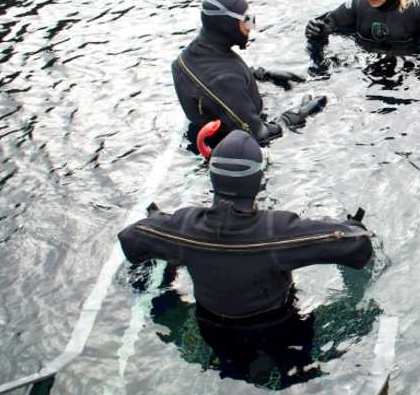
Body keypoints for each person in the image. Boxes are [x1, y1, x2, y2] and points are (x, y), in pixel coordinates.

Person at [118, 129, 374, 368]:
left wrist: (168, 244)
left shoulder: (185, 226)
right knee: (368, 319)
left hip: (210, 331)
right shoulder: (277, 230)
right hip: (281, 334)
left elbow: (130, 238)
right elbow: (357, 244)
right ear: (257, 179)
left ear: (212, 175)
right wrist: (350, 225)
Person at [172, 0, 326, 150]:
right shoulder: (225, 80)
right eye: (246, 21)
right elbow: (258, 134)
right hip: (233, 148)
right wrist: (293, 117)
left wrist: (260, 74)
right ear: (227, 26)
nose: (250, 27)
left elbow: (215, 78)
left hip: (219, 120)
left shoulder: (187, 57)